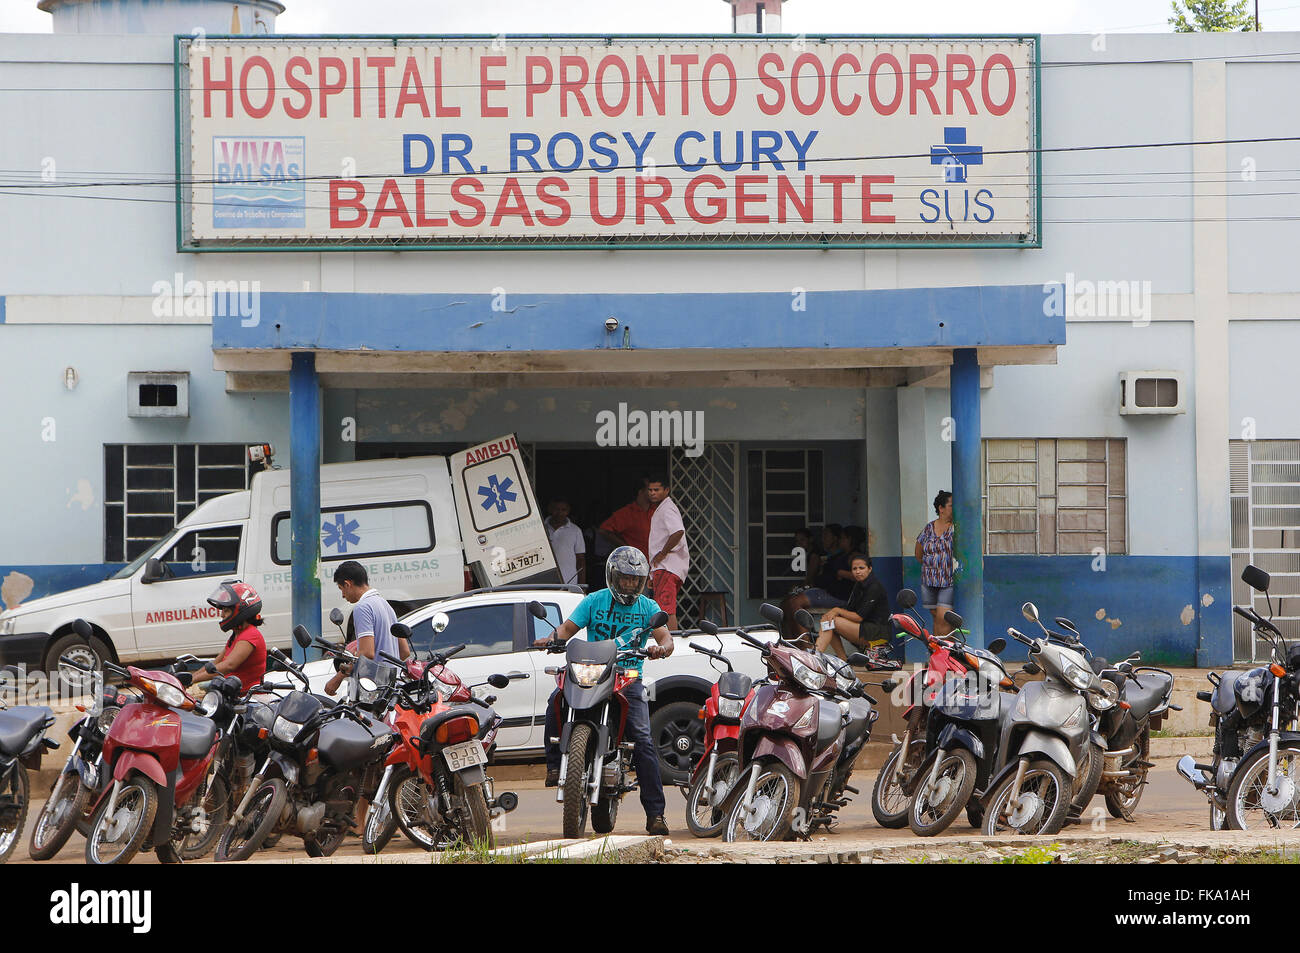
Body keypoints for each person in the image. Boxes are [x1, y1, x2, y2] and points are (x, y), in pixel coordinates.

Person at [534, 547, 673, 836]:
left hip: (627, 678)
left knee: (644, 742)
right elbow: (566, 630)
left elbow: (665, 637)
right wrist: (551, 639)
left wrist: (662, 648)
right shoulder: (594, 601)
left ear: (642, 581)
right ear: (612, 577)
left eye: (635, 580)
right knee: (554, 700)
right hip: (590, 672)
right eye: (624, 579)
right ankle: (553, 765)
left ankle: (656, 815)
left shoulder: (648, 608)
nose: (629, 585)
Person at [323, 560, 411, 696]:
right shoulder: (385, 605)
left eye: (342, 589)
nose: (343, 595)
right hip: (393, 687)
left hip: (373, 689)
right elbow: (404, 651)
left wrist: (337, 678)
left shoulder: (362, 608)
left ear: (348, 584)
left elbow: (366, 653)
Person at [191, 580, 267, 691]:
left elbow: (228, 665)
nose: (222, 615)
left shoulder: (250, 635)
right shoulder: (236, 635)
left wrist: (194, 680)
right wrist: (189, 677)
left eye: (226, 610)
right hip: (231, 695)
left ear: (240, 611)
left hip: (249, 699)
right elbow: (216, 663)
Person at [812, 554, 891, 659]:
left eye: (861, 568)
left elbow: (859, 617)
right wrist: (832, 614)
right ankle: (840, 659)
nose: (858, 571)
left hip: (877, 632)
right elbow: (850, 610)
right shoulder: (859, 585)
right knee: (827, 620)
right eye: (854, 569)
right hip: (864, 628)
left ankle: (816, 655)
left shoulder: (874, 587)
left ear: (870, 569)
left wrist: (836, 610)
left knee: (832, 622)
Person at [779, 524, 848, 639]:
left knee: (793, 603)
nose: (823, 539)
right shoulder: (830, 557)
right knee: (785, 605)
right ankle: (790, 640)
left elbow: (810, 580)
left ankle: (805, 644)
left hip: (833, 594)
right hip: (823, 591)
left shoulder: (819, 556)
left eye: (826, 535)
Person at [646, 475, 688, 632]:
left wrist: (663, 553)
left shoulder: (667, 508)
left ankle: (672, 643)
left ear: (666, 490)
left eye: (656, 490)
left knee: (666, 610)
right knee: (662, 607)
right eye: (650, 490)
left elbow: (678, 531)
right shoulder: (662, 508)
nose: (652, 493)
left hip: (667, 567)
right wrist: (652, 573)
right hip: (663, 568)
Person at [915, 490, 956, 638]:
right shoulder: (928, 528)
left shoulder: (956, 528)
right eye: (951, 505)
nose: (954, 508)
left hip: (948, 581)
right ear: (941, 508)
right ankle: (938, 654)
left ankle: (944, 654)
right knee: (936, 618)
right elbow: (918, 553)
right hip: (929, 580)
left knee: (943, 617)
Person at [598, 478, 655, 562]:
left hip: (656, 566)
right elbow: (603, 530)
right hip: (636, 566)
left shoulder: (656, 510)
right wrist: (626, 547)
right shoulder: (627, 513)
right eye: (650, 489)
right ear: (641, 491)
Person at [546, 497, 586, 586]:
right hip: (545, 582)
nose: (559, 513)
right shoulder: (540, 528)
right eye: (556, 509)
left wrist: (582, 585)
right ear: (550, 509)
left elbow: (580, 559)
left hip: (569, 581)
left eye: (563, 510)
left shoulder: (575, 530)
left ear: (568, 511)